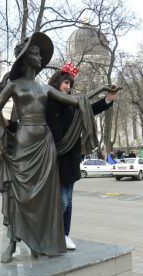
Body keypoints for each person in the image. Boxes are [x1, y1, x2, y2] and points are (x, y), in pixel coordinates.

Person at [0, 32, 83, 263]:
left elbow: (78, 101)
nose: (39, 57)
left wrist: (104, 94)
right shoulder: (14, 85)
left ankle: (38, 243)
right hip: (23, 144)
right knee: (19, 194)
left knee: (42, 198)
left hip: (45, 146)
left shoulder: (46, 89)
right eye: (34, 53)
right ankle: (12, 242)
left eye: (40, 54)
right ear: (24, 58)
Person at [46, 63, 118, 250]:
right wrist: (12, 125)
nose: (68, 87)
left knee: (68, 200)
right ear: (56, 82)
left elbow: (88, 110)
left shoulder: (73, 104)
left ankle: (65, 234)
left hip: (70, 157)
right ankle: (51, 232)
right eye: (65, 83)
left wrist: (108, 100)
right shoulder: (49, 101)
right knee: (61, 200)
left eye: (70, 84)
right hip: (55, 157)